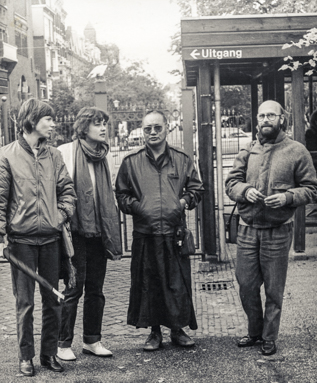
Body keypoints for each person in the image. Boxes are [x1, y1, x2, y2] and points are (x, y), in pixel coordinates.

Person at [225, 100, 317, 356]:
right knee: (245, 285)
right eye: (261, 116)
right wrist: (245, 190)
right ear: (257, 120)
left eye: (271, 116)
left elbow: (311, 189)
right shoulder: (248, 150)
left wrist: (288, 197)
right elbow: (231, 183)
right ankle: (254, 331)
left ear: (282, 119)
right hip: (247, 229)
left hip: (278, 230)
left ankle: (268, 336)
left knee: (274, 289)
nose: (266, 120)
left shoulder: (297, 151)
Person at [115, 110, 204, 351]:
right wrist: (138, 207)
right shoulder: (130, 162)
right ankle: (154, 332)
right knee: (149, 283)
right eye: (147, 129)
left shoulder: (182, 159)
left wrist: (182, 203)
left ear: (167, 129)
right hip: (145, 233)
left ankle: (177, 329)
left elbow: (196, 189)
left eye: (157, 127)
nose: (152, 132)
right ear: (142, 131)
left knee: (177, 283)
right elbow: (122, 195)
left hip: (174, 232)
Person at [0, 98, 76, 376]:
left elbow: (68, 191)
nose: (53, 124)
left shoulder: (54, 155)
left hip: (50, 241)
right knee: (25, 302)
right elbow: (0, 199)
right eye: (48, 119)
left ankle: (48, 353)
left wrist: (60, 216)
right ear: (32, 120)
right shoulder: (6, 155)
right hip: (21, 242)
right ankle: (25, 356)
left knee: (53, 299)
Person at [57, 107, 122, 361]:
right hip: (75, 231)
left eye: (104, 123)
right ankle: (63, 344)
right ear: (83, 127)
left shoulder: (103, 154)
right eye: (97, 123)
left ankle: (92, 340)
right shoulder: (66, 152)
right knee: (74, 288)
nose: (103, 127)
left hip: (99, 231)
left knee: (96, 288)